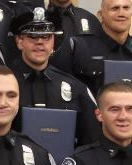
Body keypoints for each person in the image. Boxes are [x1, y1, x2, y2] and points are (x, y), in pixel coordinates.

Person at [8, 8, 99, 147]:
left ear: (53, 42)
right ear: (20, 41)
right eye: (33, 36)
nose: (40, 42)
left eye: (46, 37)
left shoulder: (76, 88)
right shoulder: (4, 84)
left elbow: (92, 140)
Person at [69, 0, 132, 93]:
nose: (121, 13)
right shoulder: (78, 46)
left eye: (126, 8)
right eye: (115, 8)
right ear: (100, 15)